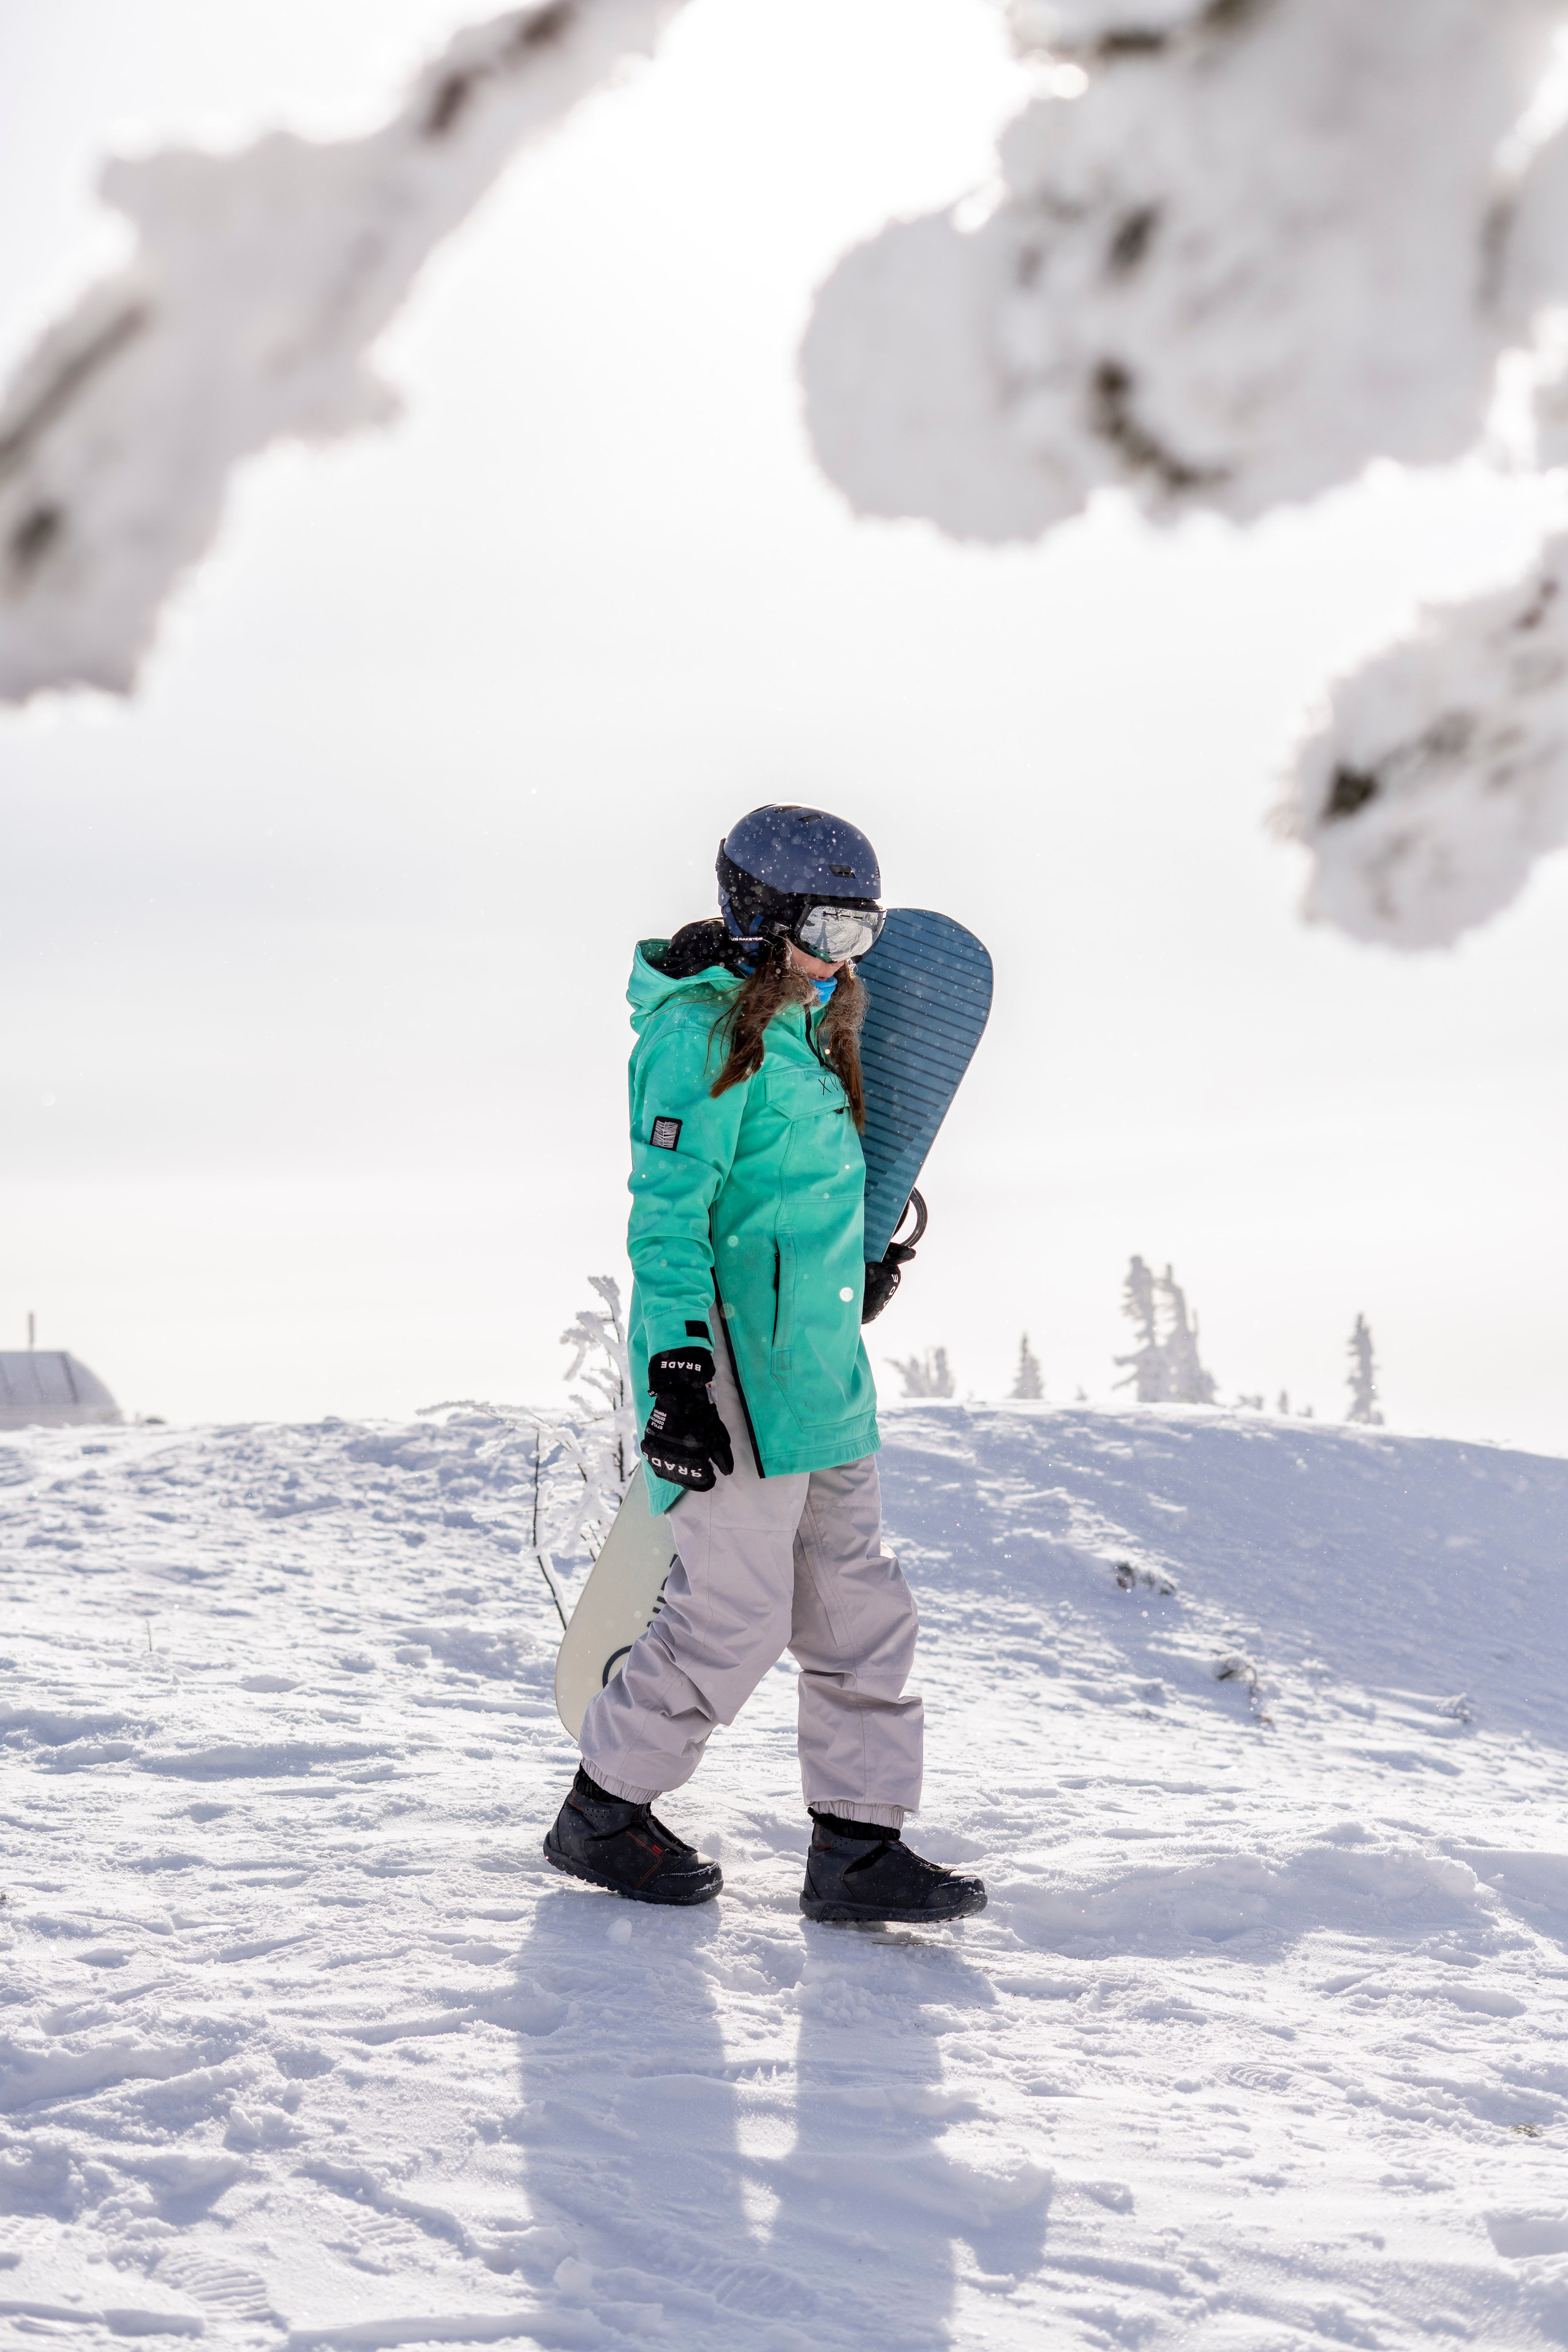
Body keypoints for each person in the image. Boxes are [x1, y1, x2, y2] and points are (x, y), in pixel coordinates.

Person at [543, 804, 986, 1927]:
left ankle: (858, 1848)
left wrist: (858, 1266)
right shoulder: (693, 1037)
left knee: (858, 1609)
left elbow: (794, 1197)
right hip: (730, 1363)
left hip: (818, 1361)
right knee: (735, 1613)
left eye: (862, 933)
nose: (842, 956)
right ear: (761, 915)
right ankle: (603, 1812)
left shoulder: (818, 1026)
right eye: (826, 928)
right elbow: (669, 1223)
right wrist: (678, 1374)